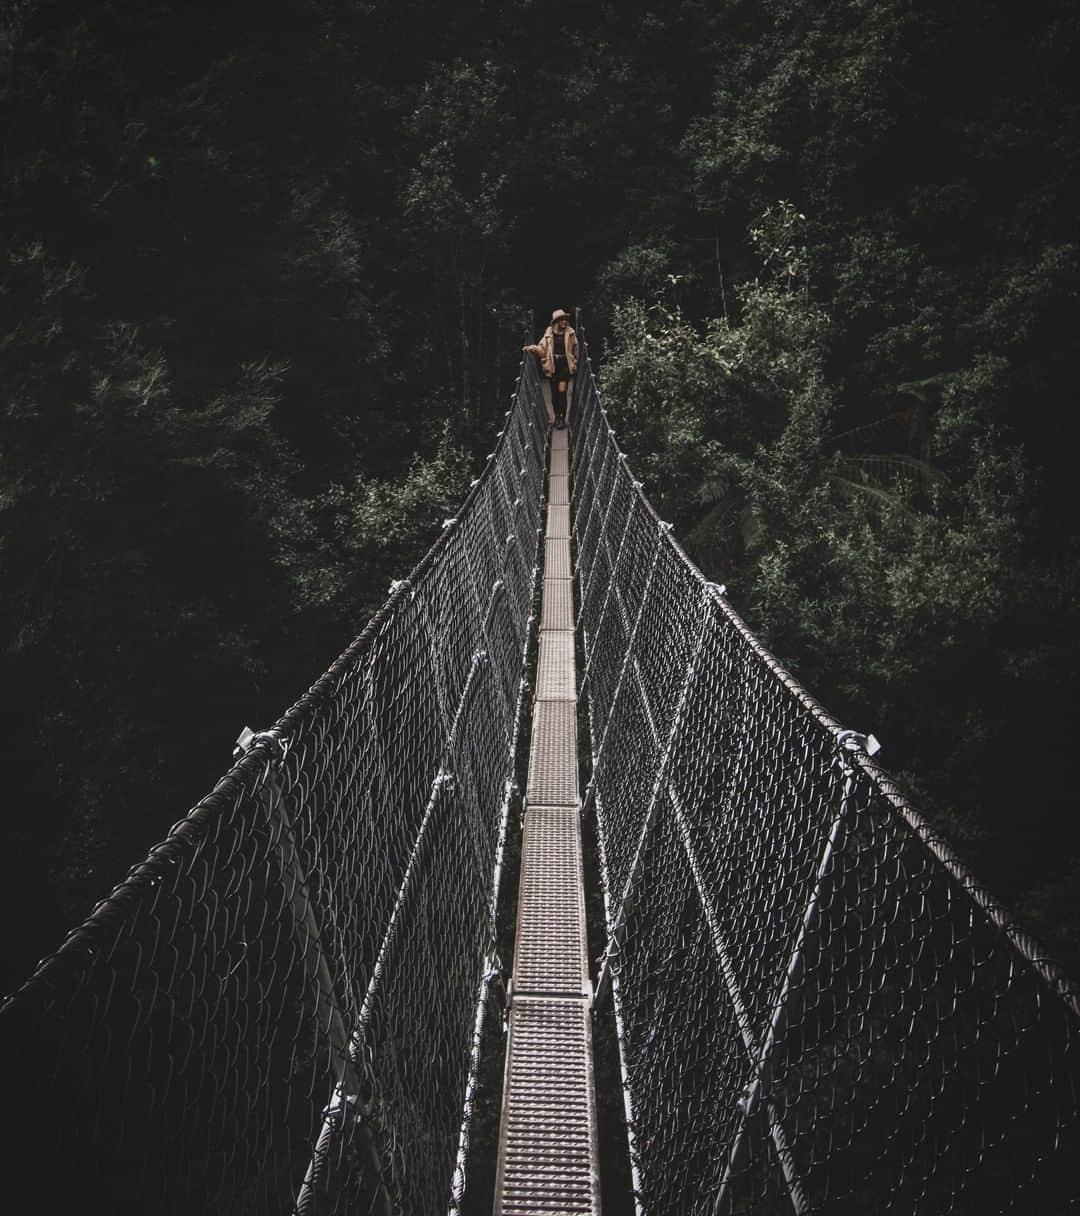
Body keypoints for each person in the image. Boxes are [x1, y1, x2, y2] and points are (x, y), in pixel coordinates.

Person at [524, 309, 579, 429]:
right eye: (562, 320)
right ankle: (557, 417)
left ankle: (563, 418)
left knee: (562, 392)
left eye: (565, 319)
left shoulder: (571, 333)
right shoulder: (549, 333)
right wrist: (533, 348)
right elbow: (542, 349)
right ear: (557, 322)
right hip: (553, 366)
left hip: (564, 365)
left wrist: (574, 363)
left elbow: (576, 349)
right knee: (554, 394)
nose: (565, 321)